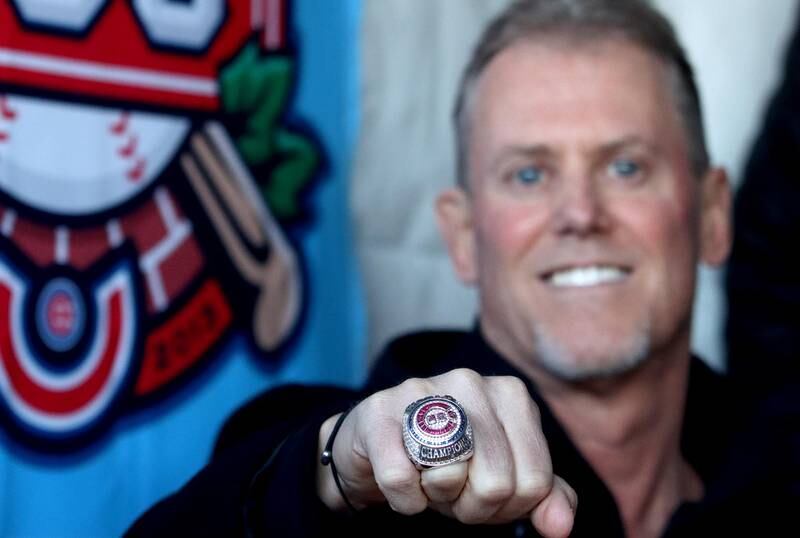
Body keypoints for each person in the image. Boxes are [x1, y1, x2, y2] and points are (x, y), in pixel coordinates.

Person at [128, 1, 799, 536]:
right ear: (463, 234)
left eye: (625, 166)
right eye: (528, 174)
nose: (579, 213)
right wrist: (331, 473)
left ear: (713, 215)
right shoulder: (360, 480)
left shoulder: (780, 469)